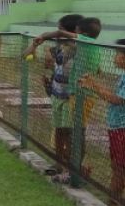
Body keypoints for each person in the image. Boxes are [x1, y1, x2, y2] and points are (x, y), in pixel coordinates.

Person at [80, 38, 125, 206]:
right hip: (117, 128)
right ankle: (112, 204)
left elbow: (118, 99)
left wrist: (94, 86)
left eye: (118, 53)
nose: (115, 57)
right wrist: (94, 84)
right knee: (117, 167)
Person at [25, 14, 83, 181]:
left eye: (61, 30)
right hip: (57, 95)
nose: (57, 34)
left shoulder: (80, 46)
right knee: (58, 131)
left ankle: (72, 169)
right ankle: (59, 163)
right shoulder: (57, 48)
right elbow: (26, 57)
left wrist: (45, 36)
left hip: (71, 97)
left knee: (68, 132)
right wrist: (34, 45)